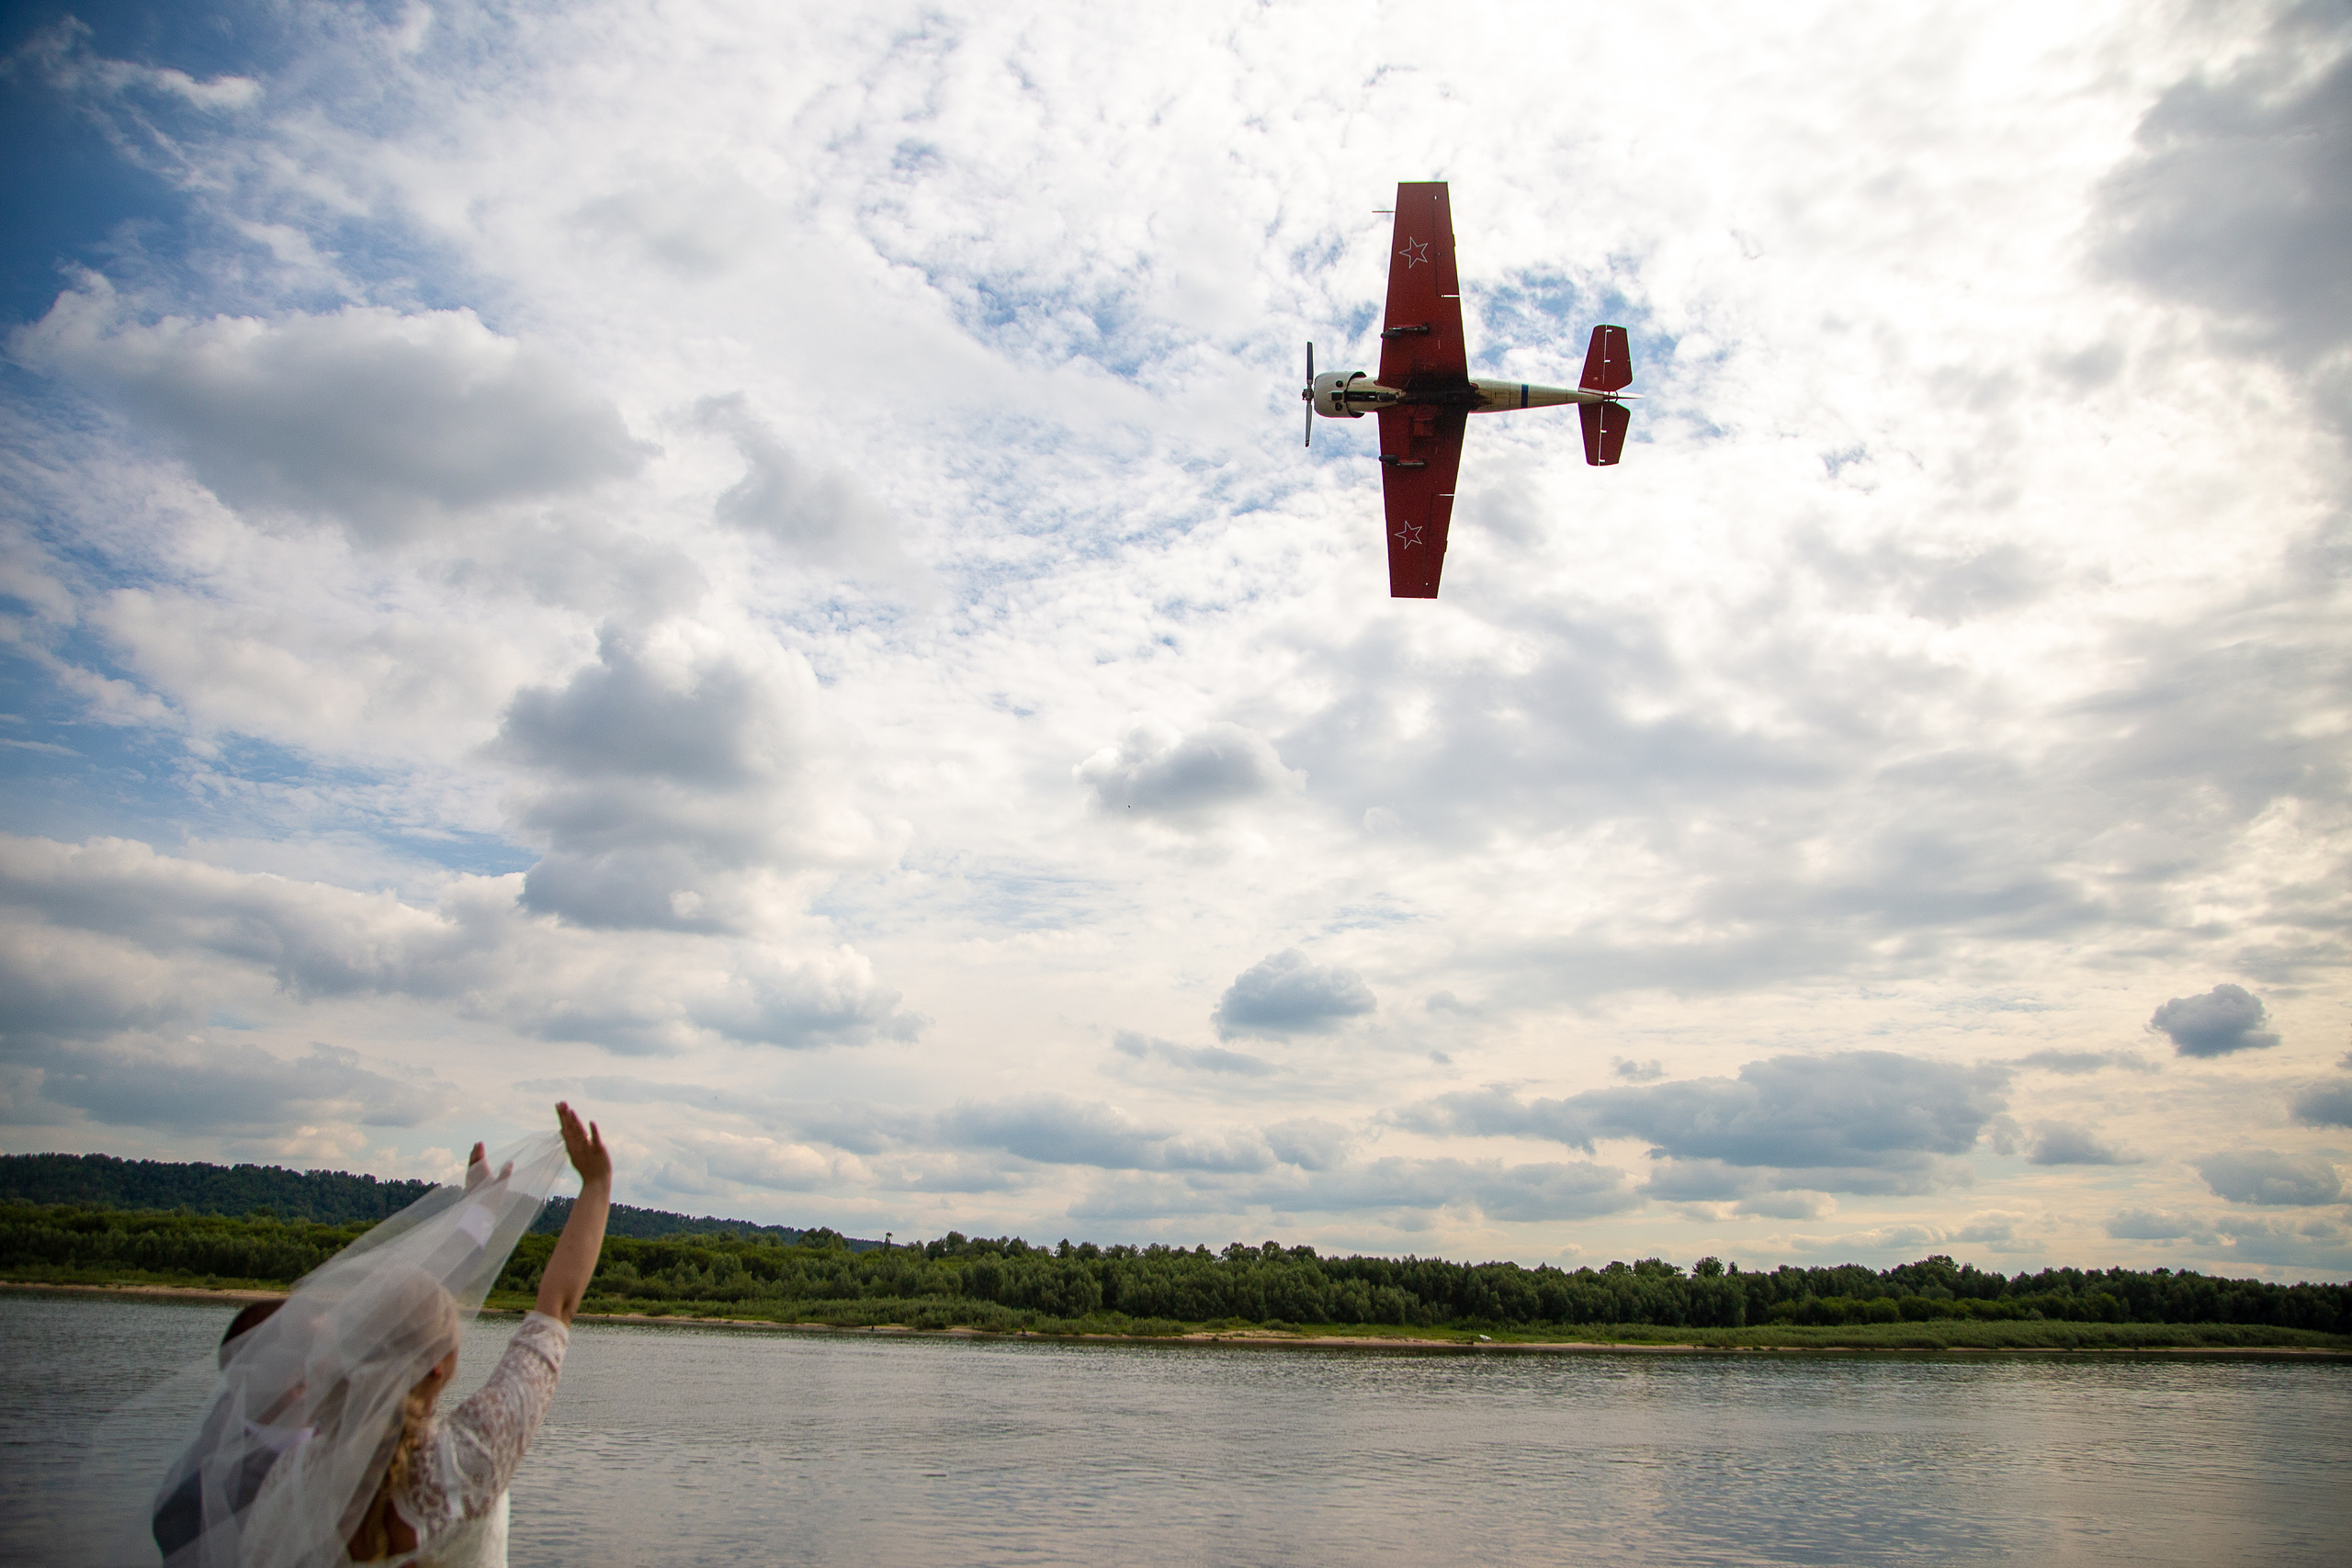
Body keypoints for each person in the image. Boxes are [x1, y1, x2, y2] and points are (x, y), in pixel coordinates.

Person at [163, 1103, 609, 1568]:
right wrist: (597, 1184)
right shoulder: (467, 1459)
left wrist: (478, 1217)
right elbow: (556, 1303)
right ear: (440, 1363)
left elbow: (411, 1311)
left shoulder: (294, 1480)